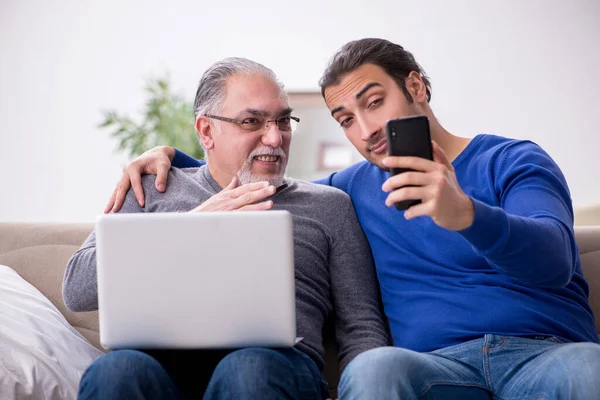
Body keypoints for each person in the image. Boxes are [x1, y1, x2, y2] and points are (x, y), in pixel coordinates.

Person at [106, 39, 600, 399]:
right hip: (432, 369)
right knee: (374, 371)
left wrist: (467, 214)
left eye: (374, 102)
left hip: (548, 355)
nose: (365, 131)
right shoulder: (351, 190)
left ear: (416, 86)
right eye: (345, 119)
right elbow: (270, 188)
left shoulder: (512, 161)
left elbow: (555, 260)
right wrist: (175, 157)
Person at [64, 57, 389, 400]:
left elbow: (362, 325)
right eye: (252, 121)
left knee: (249, 370)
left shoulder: (328, 206)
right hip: (157, 365)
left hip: (274, 367)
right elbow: (76, 289)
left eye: (283, 120)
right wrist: (194, 227)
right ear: (206, 131)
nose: (275, 137)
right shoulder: (150, 188)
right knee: (115, 371)